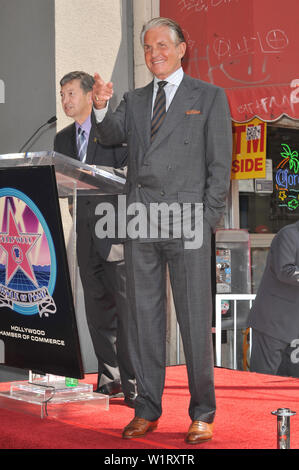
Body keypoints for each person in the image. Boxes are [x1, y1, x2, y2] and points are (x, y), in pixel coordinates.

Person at [92, 17, 232, 444]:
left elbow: (219, 166)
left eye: (163, 45)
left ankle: (202, 412)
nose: (155, 53)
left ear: (181, 48)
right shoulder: (133, 100)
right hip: (141, 223)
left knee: (194, 322)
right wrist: (100, 104)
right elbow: (111, 134)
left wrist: (207, 220)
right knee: (144, 321)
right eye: (148, 47)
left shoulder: (208, 97)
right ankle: (146, 408)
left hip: (188, 221)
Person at [54, 71, 136, 407]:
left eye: (71, 93)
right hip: (84, 235)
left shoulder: (114, 133)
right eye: (62, 94)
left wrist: (93, 176)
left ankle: (134, 384)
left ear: (90, 95)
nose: (65, 100)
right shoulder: (61, 139)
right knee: (97, 311)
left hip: (116, 234)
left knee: (127, 310)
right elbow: (60, 182)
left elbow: (129, 176)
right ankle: (110, 377)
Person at [248, 221, 299, 378]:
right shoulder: (289, 234)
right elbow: (285, 271)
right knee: (262, 381)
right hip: (272, 324)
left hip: (294, 327)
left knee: (291, 386)